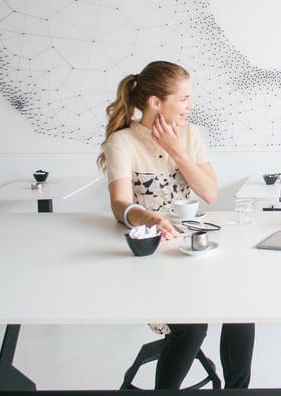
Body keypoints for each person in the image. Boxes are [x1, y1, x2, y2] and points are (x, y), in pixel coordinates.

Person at [97, 60, 254, 389]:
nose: (190, 105)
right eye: (183, 98)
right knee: (192, 328)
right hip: (155, 257)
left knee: (242, 310)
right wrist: (149, 216)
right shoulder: (122, 143)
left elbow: (209, 193)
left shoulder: (190, 135)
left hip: (196, 249)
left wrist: (176, 150)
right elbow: (120, 204)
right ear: (156, 102)